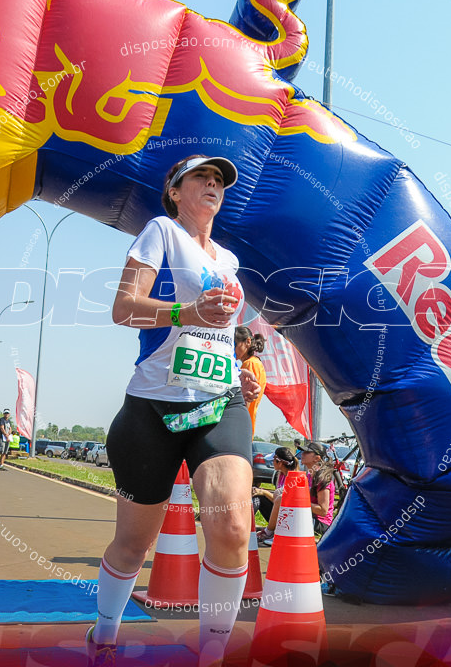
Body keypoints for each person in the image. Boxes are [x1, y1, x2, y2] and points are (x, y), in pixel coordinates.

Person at [89, 155, 261, 667]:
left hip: (217, 401)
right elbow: (124, 308)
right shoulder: (160, 232)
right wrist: (186, 311)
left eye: (219, 180)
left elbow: (217, 331)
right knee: (133, 544)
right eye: (200, 178)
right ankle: (104, 633)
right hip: (153, 408)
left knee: (232, 527)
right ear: (175, 190)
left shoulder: (228, 260)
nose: (212, 184)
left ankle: (211, 652)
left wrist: (238, 365)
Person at [253, 447, 299, 545]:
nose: (272, 463)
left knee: (264, 495)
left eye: (273, 460)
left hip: (289, 515)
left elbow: (282, 500)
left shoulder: (294, 477)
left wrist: (264, 492)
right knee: (259, 496)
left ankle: (269, 532)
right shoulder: (280, 474)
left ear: (280, 463)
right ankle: (249, 525)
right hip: (280, 510)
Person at [296, 441, 336, 536]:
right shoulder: (310, 476)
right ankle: (271, 533)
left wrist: (298, 503)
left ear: (317, 458)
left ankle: (272, 534)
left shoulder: (322, 479)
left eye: (307, 452)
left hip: (321, 524)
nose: (303, 454)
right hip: (309, 517)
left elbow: (323, 510)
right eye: (303, 452)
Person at [234, 326, 267, 431]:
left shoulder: (250, 364)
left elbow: (246, 399)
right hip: (246, 424)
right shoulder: (254, 363)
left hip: (240, 425)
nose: (232, 349)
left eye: (234, 344)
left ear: (248, 342)